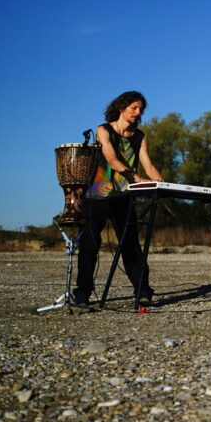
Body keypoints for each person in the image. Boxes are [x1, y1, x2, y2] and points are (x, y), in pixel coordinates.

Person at [74, 91, 164, 306]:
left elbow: (148, 165)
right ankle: (82, 293)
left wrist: (163, 184)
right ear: (121, 108)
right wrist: (137, 177)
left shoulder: (140, 136)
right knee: (89, 245)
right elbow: (112, 160)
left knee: (131, 246)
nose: (138, 112)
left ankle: (143, 291)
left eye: (141, 108)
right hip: (97, 195)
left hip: (124, 197)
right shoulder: (103, 130)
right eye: (134, 108)